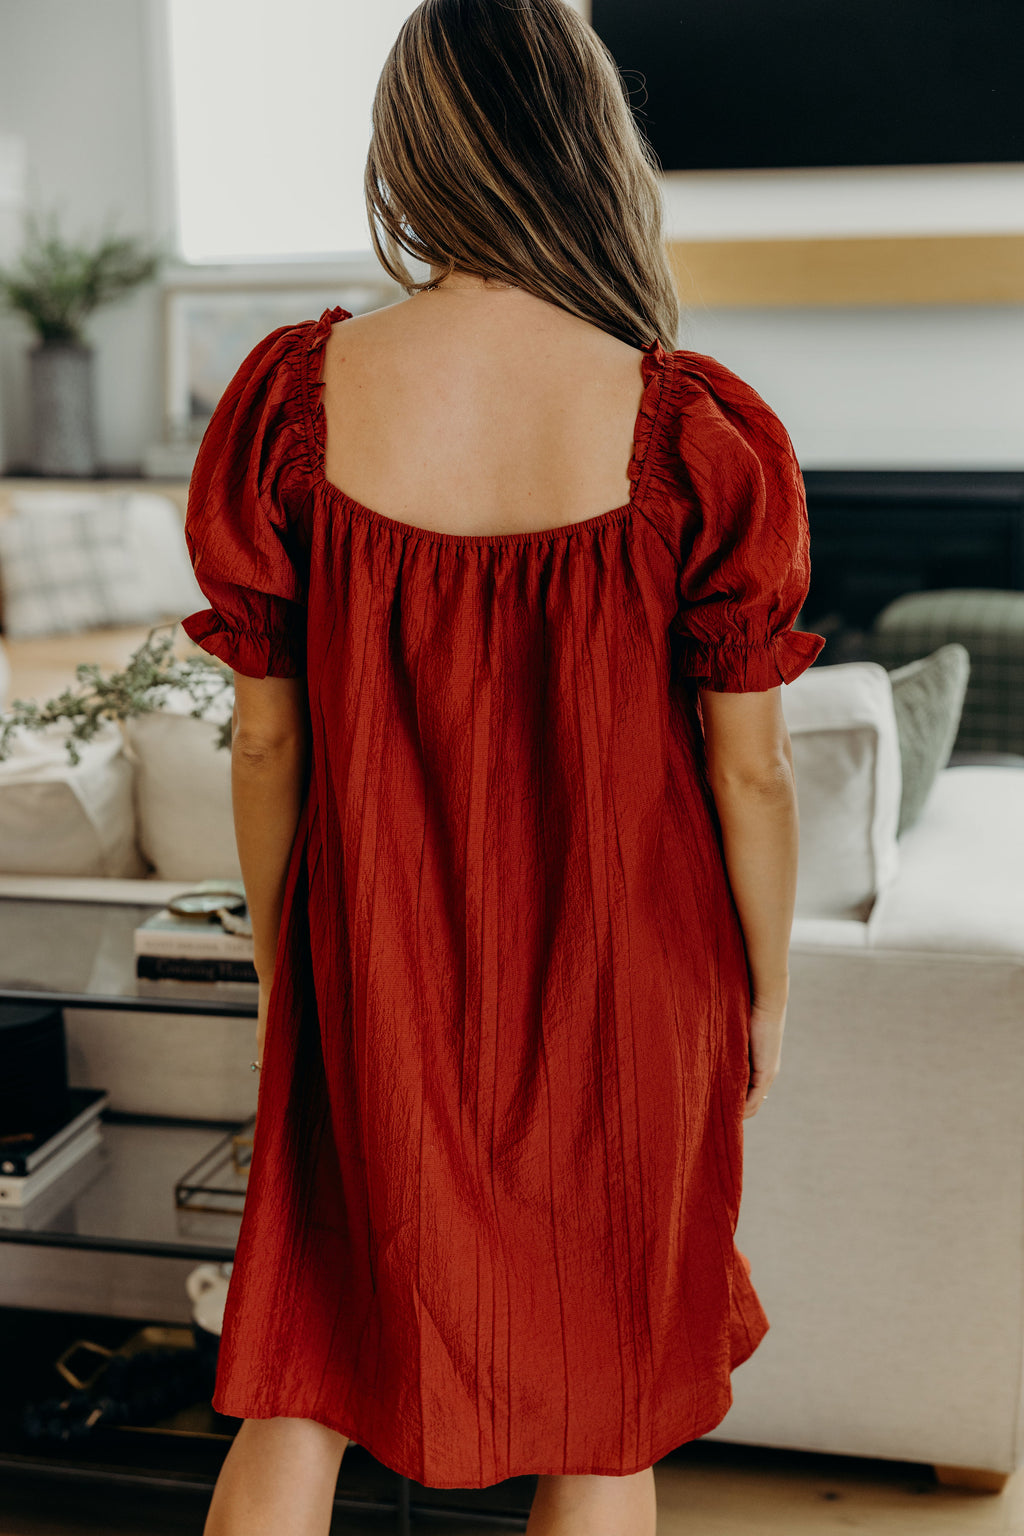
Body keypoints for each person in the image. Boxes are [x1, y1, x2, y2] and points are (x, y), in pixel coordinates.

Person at [181, 1, 826, 1532]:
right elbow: (751, 780)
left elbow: (267, 735)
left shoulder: (292, 402)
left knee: (302, 1381)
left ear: (413, 150)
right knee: (601, 1413)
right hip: (636, 981)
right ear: (589, 144)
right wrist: (766, 989)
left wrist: (293, 961)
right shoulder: (695, 424)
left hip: (376, 966)